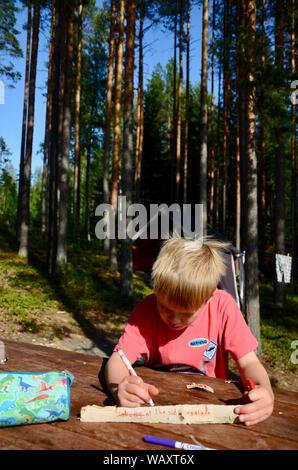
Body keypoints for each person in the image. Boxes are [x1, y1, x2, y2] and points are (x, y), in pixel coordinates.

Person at [105, 237, 274, 426]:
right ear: (157, 289)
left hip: (210, 411)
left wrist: (263, 390)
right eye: (165, 308)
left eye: (186, 314)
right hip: (157, 410)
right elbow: (118, 360)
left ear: (208, 298)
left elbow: (249, 362)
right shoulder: (147, 311)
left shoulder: (223, 307)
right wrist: (120, 386)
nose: (174, 319)